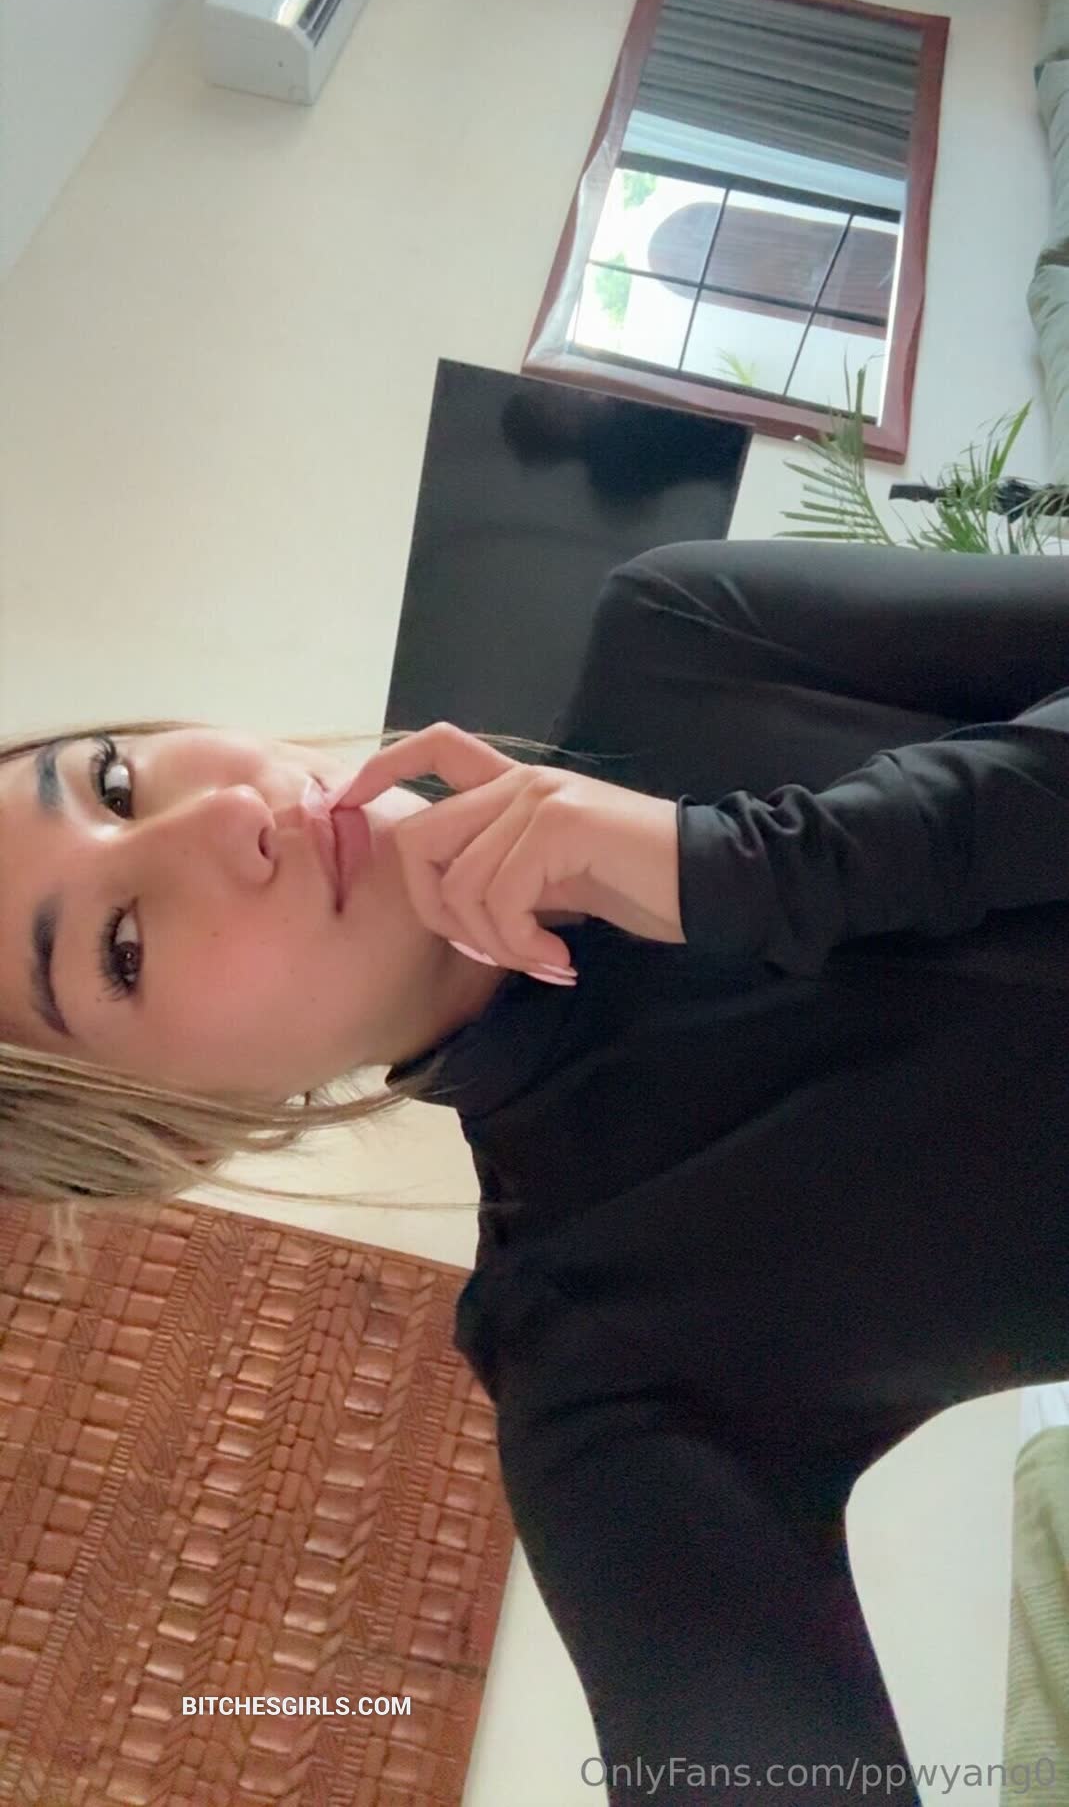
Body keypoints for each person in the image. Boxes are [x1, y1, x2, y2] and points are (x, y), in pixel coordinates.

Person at [3, 537, 1069, 1802]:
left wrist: (767, 863)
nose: (227, 816)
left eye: (115, 779)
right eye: (122, 947)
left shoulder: (680, 637)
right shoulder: (593, 1359)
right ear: (187, 1128)